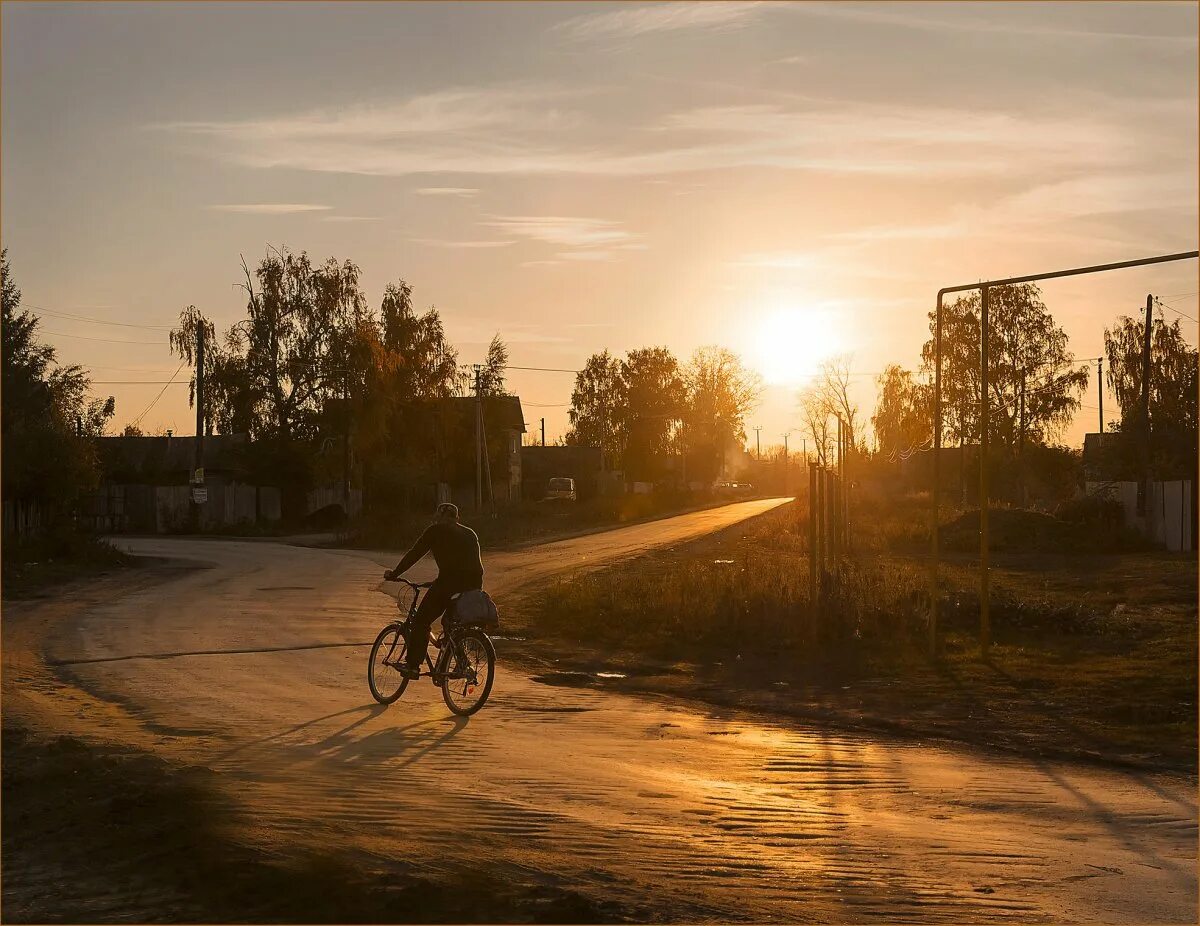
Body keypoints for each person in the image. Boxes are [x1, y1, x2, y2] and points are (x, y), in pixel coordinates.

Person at [383, 502, 483, 679]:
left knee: (421, 621)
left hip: (448, 583)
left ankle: (413, 666)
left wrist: (395, 573)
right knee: (451, 626)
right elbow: (474, 566)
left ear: (438, 517)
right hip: (472, 586)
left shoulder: (435, 530)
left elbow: (415, 553)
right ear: (457, 518)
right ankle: (462, 663)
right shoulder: (470, 533)